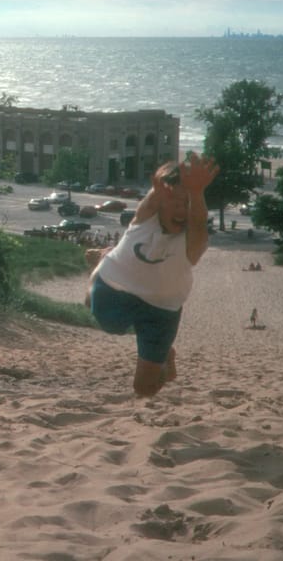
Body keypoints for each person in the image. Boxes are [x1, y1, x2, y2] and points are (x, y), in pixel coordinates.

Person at [86, 153, 219, 397]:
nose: (182, 208)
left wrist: (197, 191)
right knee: (103, 317)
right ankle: (102, 260)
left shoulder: (193, 242)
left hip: (162, 309)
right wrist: (161, 184)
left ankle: (166, 356)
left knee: (144, 390)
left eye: (188, 202)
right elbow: (157, 188)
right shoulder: (145, 218)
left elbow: (199, 223)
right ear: (160, 202)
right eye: (175, 200)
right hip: (116, 288)